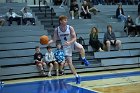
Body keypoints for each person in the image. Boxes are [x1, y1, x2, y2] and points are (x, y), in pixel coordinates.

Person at [48, 15, 90, 84]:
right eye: (64, 20)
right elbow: (54, 39)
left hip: (72, 43)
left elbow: (74, 38)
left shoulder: (70, 28)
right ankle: (77, 76)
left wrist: (70, 42)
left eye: (66, 20)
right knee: (70, 63)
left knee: (81, 48)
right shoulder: (57, 29)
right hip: (66, 47)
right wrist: (48, 42)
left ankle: (84, 59)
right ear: (60, 21)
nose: (66, 21)